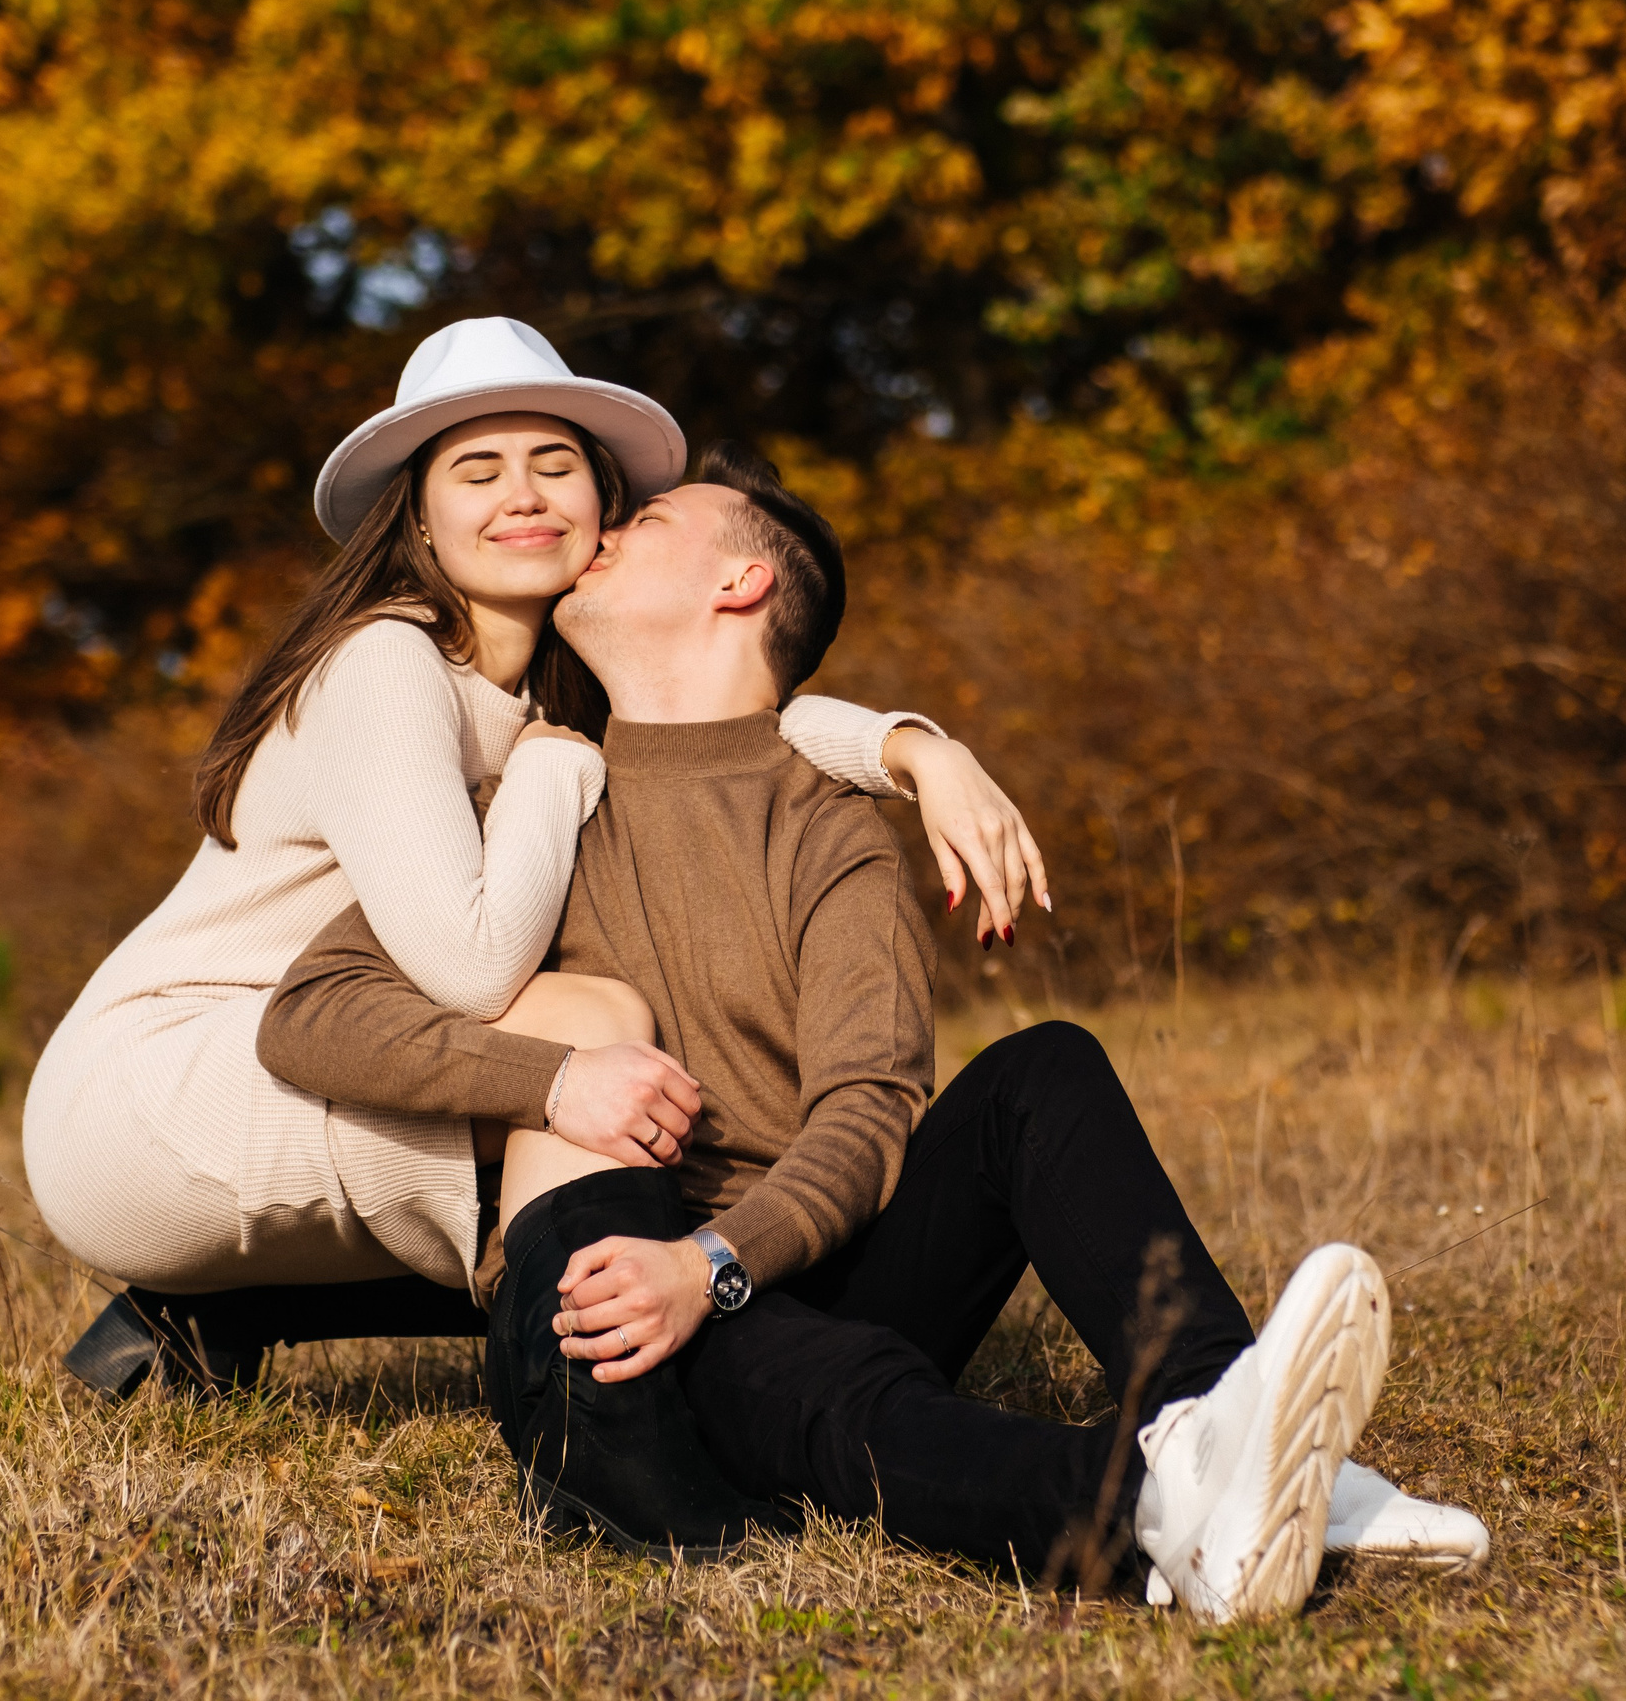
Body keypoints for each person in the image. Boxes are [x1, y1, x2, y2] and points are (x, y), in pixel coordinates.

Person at [253, 441, 1488, 1619]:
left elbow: (869, 1112)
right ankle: (1173, 1513)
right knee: (776, 1356)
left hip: (773, 1262)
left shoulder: (832, 829)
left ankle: (1221, 1422)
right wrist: (554, 1079)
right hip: (629, 1297)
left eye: (650, 522)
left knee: (1041, 1069)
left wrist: (717, 1263)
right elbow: (310, 1015)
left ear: (741, 582)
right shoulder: (538, 800)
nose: (602, 532)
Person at [24, 317, 1042, 1348]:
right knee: (602, 1027)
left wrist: (917, 753)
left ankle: (231, 1323)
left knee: (642, 1055)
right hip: (163, 1091)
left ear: (602, 507)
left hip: (326, 1059)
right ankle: (604, 1409)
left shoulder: (554, 689)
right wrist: (559, 769)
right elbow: (471, 970)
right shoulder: (389, 662)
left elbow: (737, 723)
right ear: (418, 523)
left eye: (553, 465)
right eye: (477, 472)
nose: (522, 494)